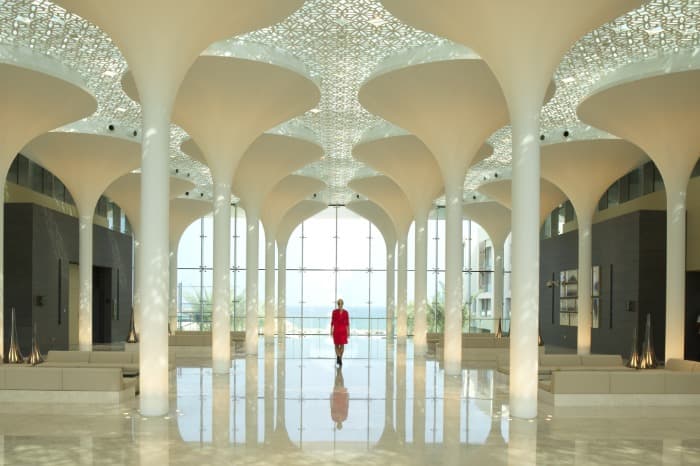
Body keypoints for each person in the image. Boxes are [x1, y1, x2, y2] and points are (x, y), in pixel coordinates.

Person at [330, 298, 349, 367]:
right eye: (339, 303)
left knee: (342, 345)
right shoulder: (334, 312)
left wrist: (348, 331)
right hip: (336, 330)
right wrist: (331, 330)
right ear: (337, 304)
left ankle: (340, 358)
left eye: (341, 303)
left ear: (343, 304)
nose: (340, 305)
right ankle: (338, 357)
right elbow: (332, 321)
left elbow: (347, 323)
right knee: (336, 345)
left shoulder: (346, 312)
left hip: (343, 331)